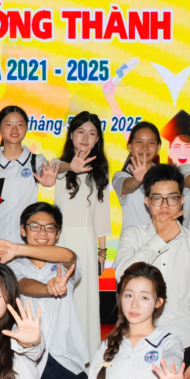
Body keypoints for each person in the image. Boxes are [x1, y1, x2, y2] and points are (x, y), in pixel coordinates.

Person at [114, 165, 190, 379]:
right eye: (157, 198)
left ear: (182, 200)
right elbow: (122, 275)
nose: (165, 206)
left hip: (181, 341)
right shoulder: (134, 235)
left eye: (172, 198)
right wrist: (159, 239)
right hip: (138, 340)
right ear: (147, 201)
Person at [9, 203, 88, 379]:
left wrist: (18, 248)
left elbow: (69, 255)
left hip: (64, 356)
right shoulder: (13, 264)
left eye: (49, 227)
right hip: (25, 357)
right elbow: (23, 285)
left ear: (58, 232)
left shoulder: (64, 264)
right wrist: (47, 287)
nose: (42, 233)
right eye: (35, 226)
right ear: (23, 230)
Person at [52, 112, 111, 354]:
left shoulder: (100, 171)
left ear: (97, 139)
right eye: (80, 132)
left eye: (92, 133)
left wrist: (102, 252)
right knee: (60, 297)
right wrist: (71, 167)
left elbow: (102, 214)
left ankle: (87, 357)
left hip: (86, 244)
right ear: (71, 135)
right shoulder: (58, 166)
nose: (86, 137)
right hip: (61, 241)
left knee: (84, 300)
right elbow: (53, 171)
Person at [0, 106, 49, 243]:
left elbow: (48, 171)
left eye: (20, 125)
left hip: (25, 243)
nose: (14, 130)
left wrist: (66, 169)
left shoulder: (36, 161)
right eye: (9, 124)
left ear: (27, 128)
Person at [111, 122, 162, 232]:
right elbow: (126, 186)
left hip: (161, 240)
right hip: (133, 242)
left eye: (151, 142)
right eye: (139, 142)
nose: (145, 147)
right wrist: (138, 180)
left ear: (158, 147)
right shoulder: (121, 176)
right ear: (130, 146)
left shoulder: (166, 176)